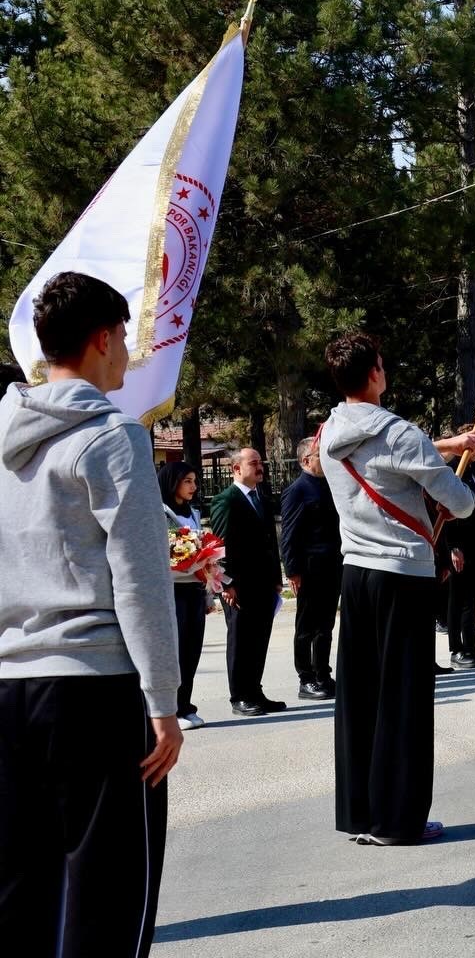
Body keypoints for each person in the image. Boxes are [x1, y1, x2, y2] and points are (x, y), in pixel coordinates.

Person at [0, 271, 182, 956]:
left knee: (20, 886)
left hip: (10, 682)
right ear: (103, 340)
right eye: (126, 339)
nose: (129, 354)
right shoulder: (112, 435)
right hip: (92, 686)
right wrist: (163, 702)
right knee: (108, 892)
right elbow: (139, 581)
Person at [317, 331, 475, 846]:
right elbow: (460, 502)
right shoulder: (400, 433)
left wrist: (446, 446)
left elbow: (383, 460)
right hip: (402, 572)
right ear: (374, 373)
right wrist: (454, 473)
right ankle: (398, 819)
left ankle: (362, 813)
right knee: (403, 698)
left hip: (355, 570)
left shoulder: (327, 432)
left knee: (360, 697)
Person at [209, 447, 286, 716]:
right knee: (241, 640)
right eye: (253, 463)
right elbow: (220, 545)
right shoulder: (226, 500)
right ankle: (240, 696)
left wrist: (276, 578)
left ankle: (255, 691)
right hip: (239, 586)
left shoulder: (261, 499)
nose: (260, 467)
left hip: (263, 583)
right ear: (236, 468)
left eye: (260, 462)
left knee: (259, 639)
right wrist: (227, 584)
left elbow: (270, 543)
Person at [281, 436, 343, 700]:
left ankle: (322, 673)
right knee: (307, 625)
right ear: (306, 460)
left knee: (325, 625)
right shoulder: (298, 490)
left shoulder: (329, 485)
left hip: (332, 565)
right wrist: (292, 570)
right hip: (309, 568)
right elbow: (289, 534)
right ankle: (306, 678)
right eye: (320, 455)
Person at [159, 461, 213, 729]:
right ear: (173, 483)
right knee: (177, 652)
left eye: (194, 481)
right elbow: (163, 556)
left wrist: (208, 594)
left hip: (195, 589)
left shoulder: (193, 512)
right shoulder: (160, 513)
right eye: (187, 481)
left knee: (192, 651)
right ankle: (171, 710)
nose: (193, 486)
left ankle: (186, 705)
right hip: (173, 590)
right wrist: (188, 561)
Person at [439, 449, 475, 669]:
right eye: (473, 445)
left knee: (472, 600)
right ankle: (456, 649)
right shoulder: (454, 470)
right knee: (457, 600)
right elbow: (446, 512)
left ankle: (470, 646)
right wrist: (452, 547)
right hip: (460, 547)